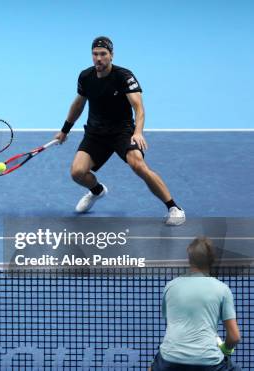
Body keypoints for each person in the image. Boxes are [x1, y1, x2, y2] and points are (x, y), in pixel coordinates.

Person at [54, 36, 185, 225]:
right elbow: (78, 104)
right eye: (95, 54)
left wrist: (138, 132)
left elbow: (138, 107)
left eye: (103, 54)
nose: (98, 58)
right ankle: (97, 191)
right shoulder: (86, 77)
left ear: (111, 55)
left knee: (138, 165)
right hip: (96, 134)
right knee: (77, 173)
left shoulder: (124, 76)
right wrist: (64, 130)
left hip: (122, 132)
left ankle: (174, 208)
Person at [150, 237, 242, 370]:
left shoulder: (170, 287)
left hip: (170, 361)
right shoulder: (222, 289)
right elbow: (234, 337)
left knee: (152, 367)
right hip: (209, 363)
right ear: (212, 260)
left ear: (189, 259)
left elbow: (173, 322)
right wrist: (226, 349)